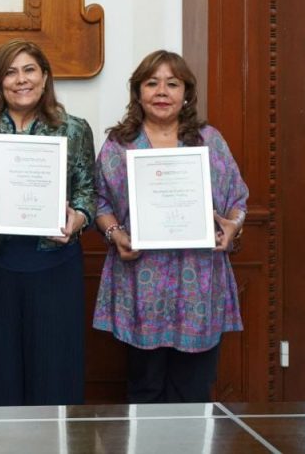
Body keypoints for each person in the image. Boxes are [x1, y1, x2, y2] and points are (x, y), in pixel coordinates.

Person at [92, 49, 248, 403]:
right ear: (138, 92)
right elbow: (99, 201)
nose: (162, 91)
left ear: (186, 93)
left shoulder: (209, 140)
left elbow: (238, 199)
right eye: (152, 83)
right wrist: (115, 234)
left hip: (199, 283)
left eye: (172, 84)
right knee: (145, 389)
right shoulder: (119, 145)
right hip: (141, 282)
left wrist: (232, 226)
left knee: (192, 391)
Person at [0, 38, 95, 406]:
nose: (21, 80)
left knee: (54, 367)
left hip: (55, 261)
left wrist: (77, 218)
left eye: (29, 70)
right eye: (10, 72)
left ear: (44, 77)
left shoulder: (74, 129)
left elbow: (87, 192)